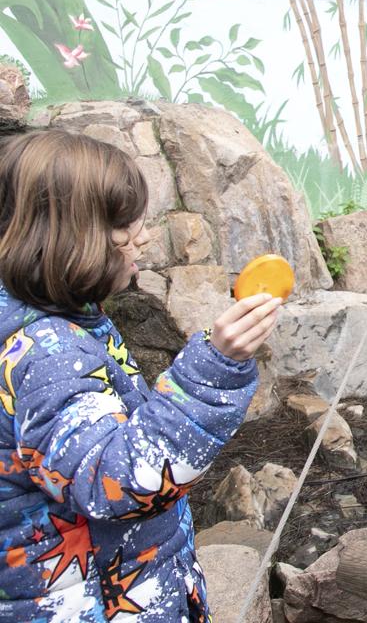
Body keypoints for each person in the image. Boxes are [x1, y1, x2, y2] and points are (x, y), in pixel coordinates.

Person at [0, 130, 283, 621]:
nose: (144, 237)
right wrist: (212, 369)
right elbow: (120, 478)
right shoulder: (47, 353)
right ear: (69, 236)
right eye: (124, 227)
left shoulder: (59, 319)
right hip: (98, 603)